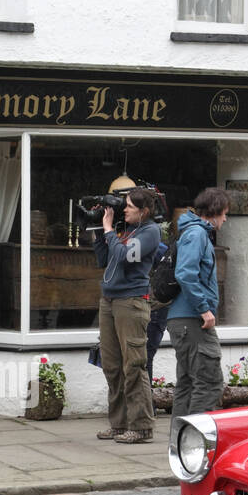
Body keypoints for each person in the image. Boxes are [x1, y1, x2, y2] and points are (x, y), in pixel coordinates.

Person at [93, 187, 161, 443]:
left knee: (133, 365)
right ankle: (119, 423)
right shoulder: (127, 230)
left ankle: (142, 426)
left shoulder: (150, 232)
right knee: (111, 365)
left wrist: (110, 231)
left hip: (131, 302)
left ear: (143, 211)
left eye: (129, 206)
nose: (124, 209)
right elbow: (103, 259)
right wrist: (100, 232)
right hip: (109, 301)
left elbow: (124, 256)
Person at [166, 187, 230, 437]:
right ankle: (197, 444)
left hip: (183, 320)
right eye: (224, 214)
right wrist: (204, 309)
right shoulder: (197, 235)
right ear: (213, 212)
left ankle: (180, 442)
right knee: (208, 382)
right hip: (192, 320)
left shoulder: (193, 233)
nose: (225, 219)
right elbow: (185, 273)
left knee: (189, 384)